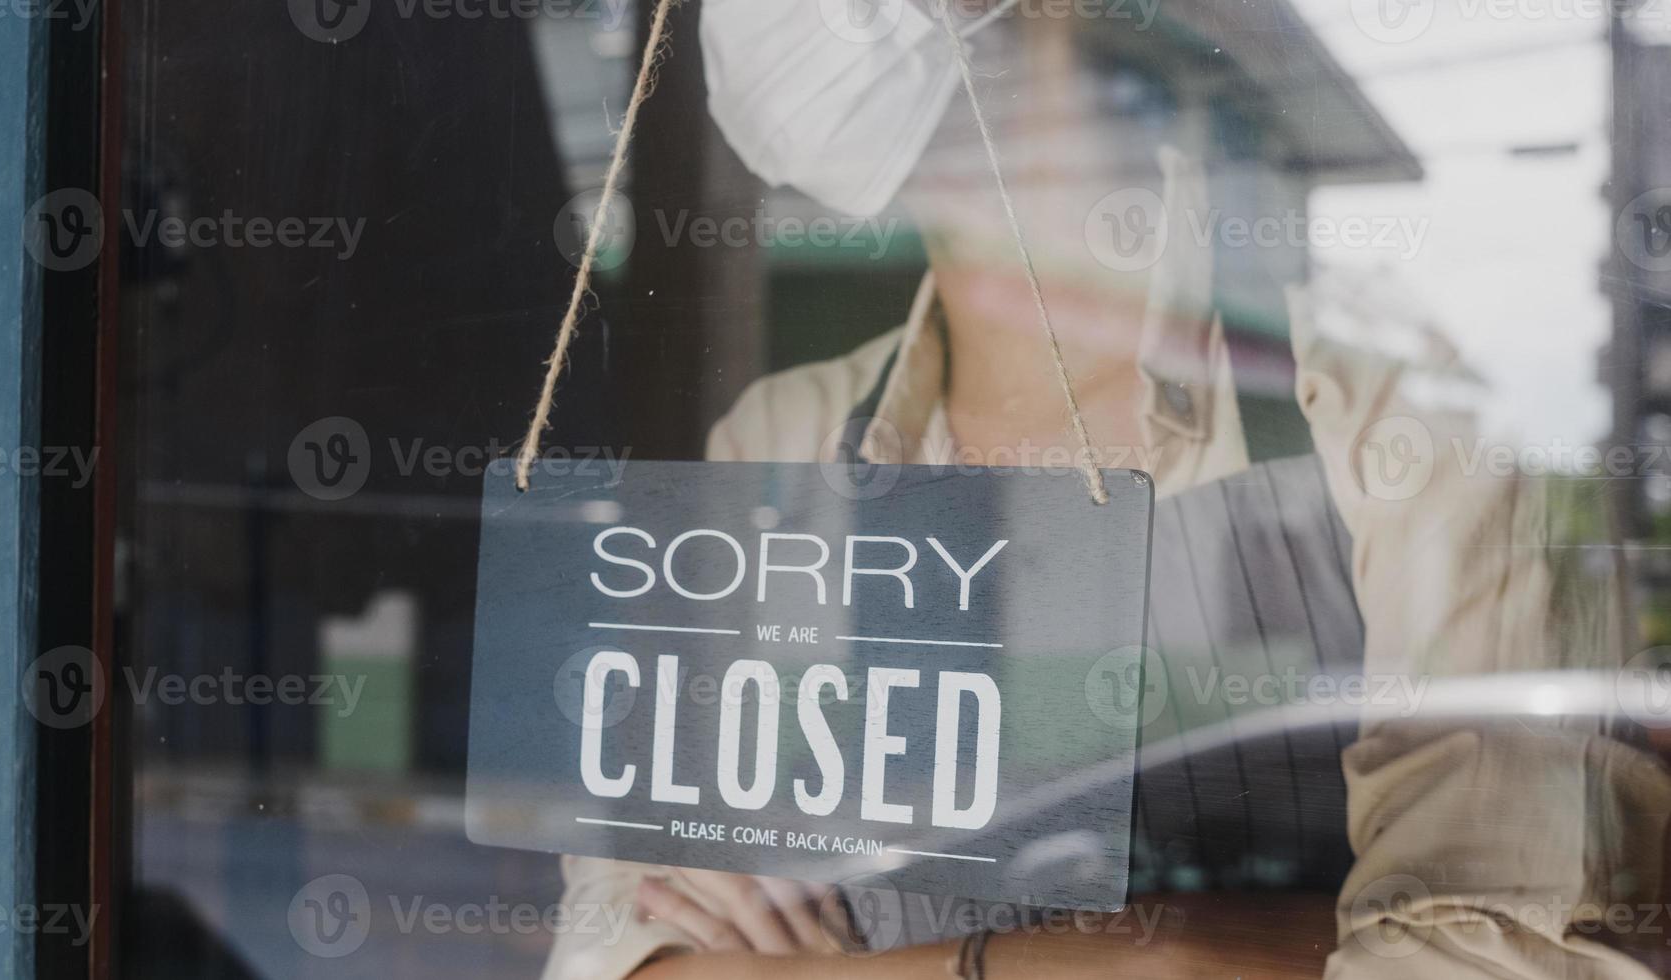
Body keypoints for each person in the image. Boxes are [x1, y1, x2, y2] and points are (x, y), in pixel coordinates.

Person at [543, 3, 1671, 977]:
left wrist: (869, 965)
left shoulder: (1385, 413)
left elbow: (1511, 946)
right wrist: (1212, 949)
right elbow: (617, 936)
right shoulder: (775, 441)